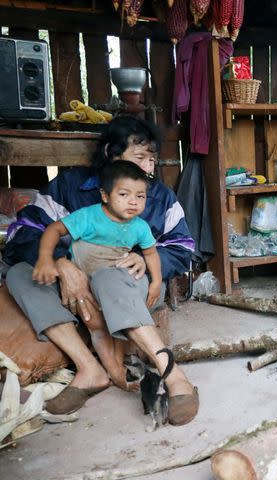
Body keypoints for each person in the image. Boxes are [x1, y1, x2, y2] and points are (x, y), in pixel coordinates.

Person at [3, 116, 199, 425]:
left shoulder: (160, 198)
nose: (148, 168)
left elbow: (185, 248)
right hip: (73, 286)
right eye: (140, 158)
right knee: (19, 274)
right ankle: (89, 369)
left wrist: (147, 261)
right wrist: (60, 263)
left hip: (130, 286)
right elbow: (23, 230)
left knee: (110, 277)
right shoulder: (70, 187)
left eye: (152, 160)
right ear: (111, 153)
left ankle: (174, 376)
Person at [32, 160, 163, 310]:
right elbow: (54, 229)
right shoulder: (88, 216)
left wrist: (156, 282)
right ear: (105, 195)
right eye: (123, 194)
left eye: (140, 196)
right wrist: (45, 258)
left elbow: (151, 254)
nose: (133, 201)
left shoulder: (141, 227)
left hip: (110, 283)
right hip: (77, 281)